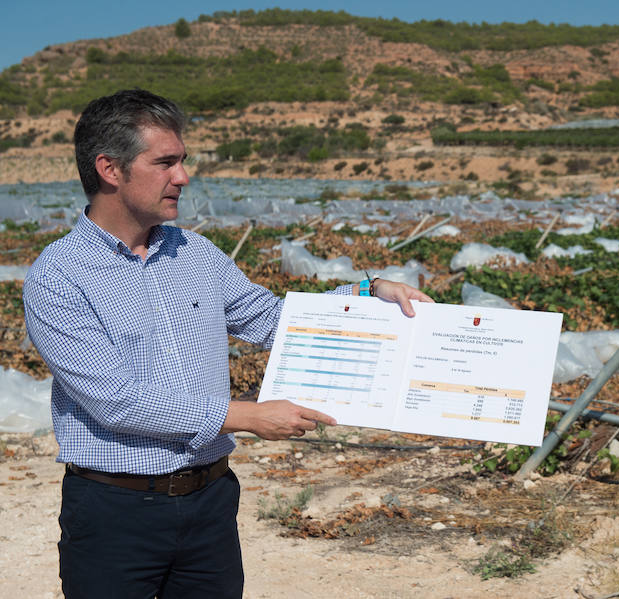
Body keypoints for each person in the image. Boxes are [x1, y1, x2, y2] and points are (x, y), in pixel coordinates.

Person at [22, 88, 432, 598]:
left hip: (210, 500)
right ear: (110, 169)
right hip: (114, 512)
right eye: (166, 162)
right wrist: (249, 416)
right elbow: (116, 401)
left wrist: (371, 295)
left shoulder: (195, 253)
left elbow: (271, 319)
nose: (183, 177)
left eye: (183, 161)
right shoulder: (59, 276)